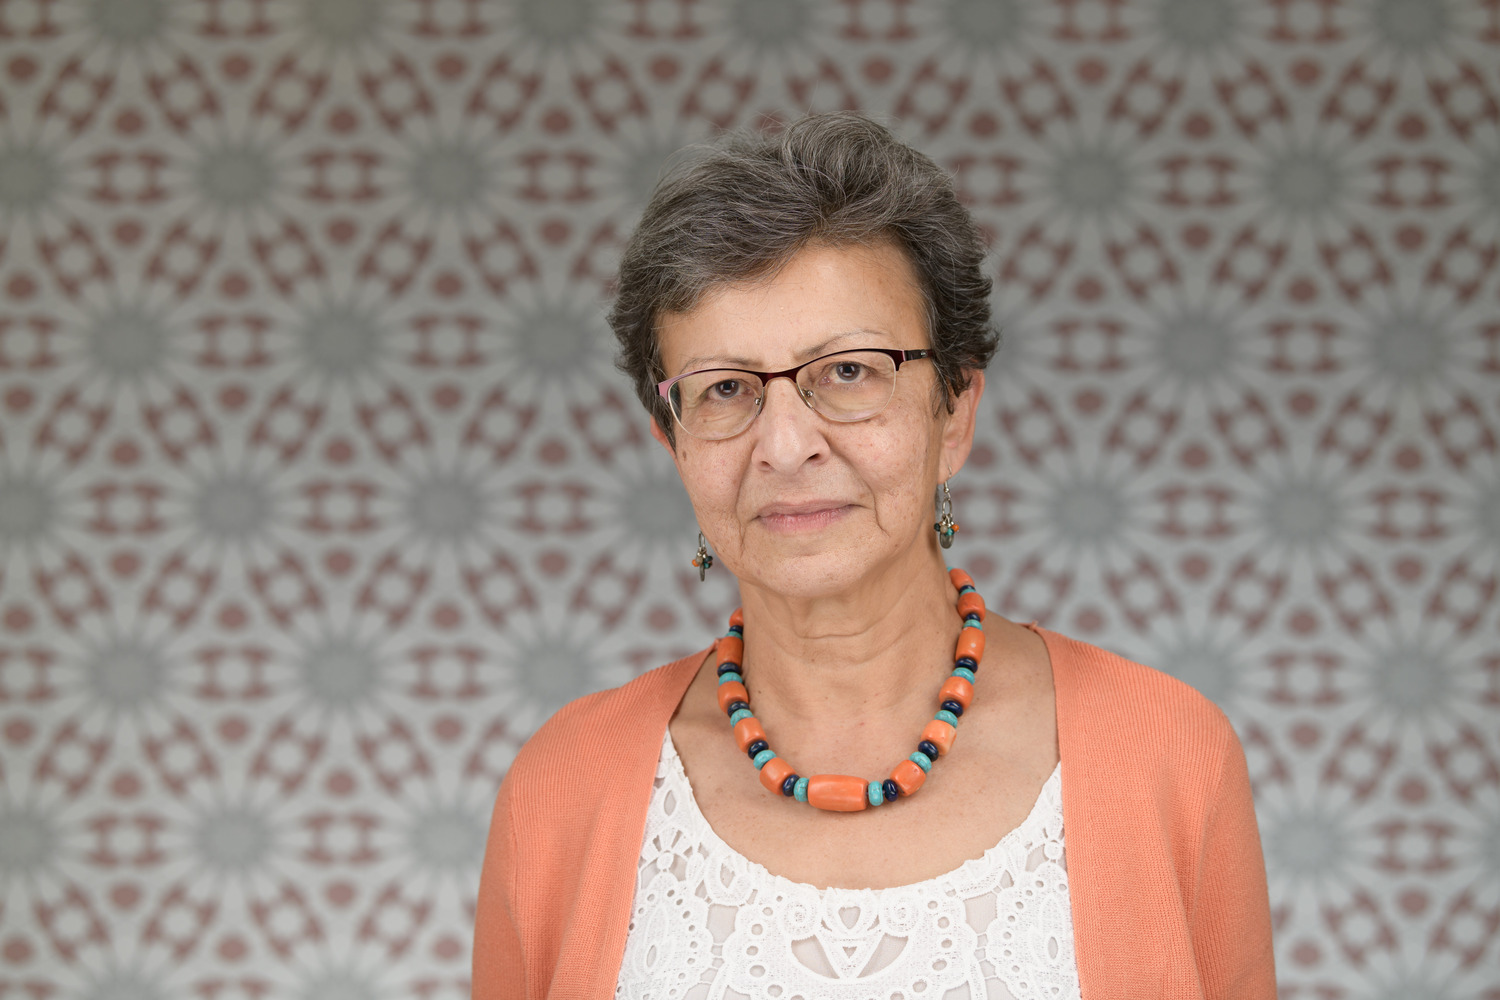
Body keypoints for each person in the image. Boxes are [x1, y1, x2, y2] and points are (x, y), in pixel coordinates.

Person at [472, 112, 1276, 999]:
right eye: (726, 389)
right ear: (673, 444)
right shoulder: (563, 785)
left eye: (848, 372)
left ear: (956, 409)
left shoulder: (1171, 754)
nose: (784, 445)